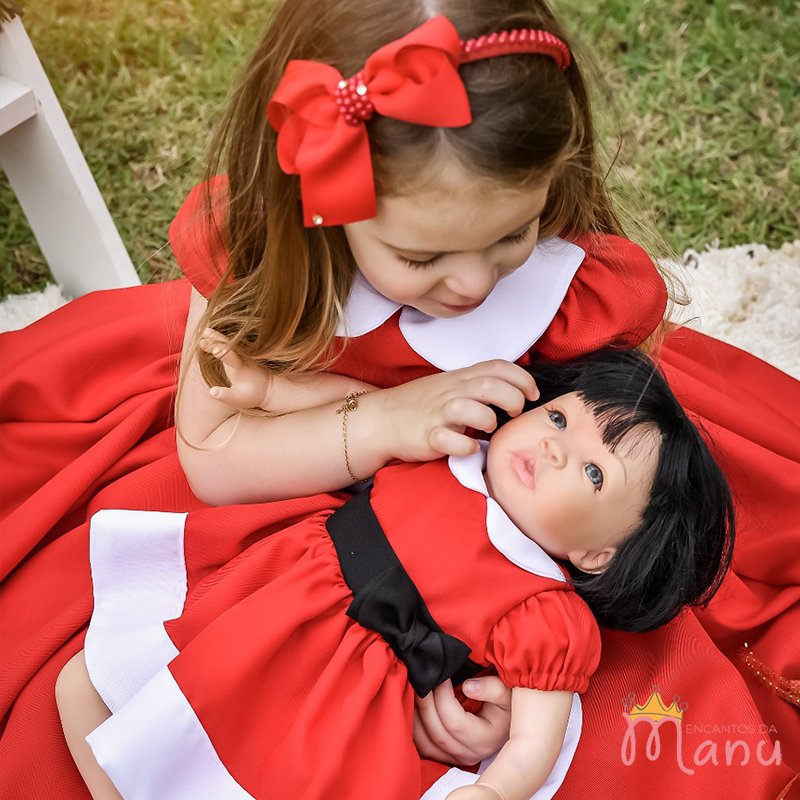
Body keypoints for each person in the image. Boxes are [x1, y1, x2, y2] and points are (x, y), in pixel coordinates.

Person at [0, 3, 797, 799]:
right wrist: (383, 419)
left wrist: (513, 708)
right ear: (319, 200)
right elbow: (212, 458)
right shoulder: (263, 257)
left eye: (510, 236)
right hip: (292, 487)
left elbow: (582, 455)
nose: (474, 284)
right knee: (136, 684)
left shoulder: (569, 294)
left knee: (641, 734)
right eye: (420, 256)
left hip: (507, 539)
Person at [55, 349, 735, 800]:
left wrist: (498, 788)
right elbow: (365, 406)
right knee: (88, 686)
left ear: (600, 554)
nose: (556, 445)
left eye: (594, 472)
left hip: (338, 707)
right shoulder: (451, 442)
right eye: (560, 416)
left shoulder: (545, 610)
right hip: (256, 618)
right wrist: (270, 389)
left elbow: (537, 735)